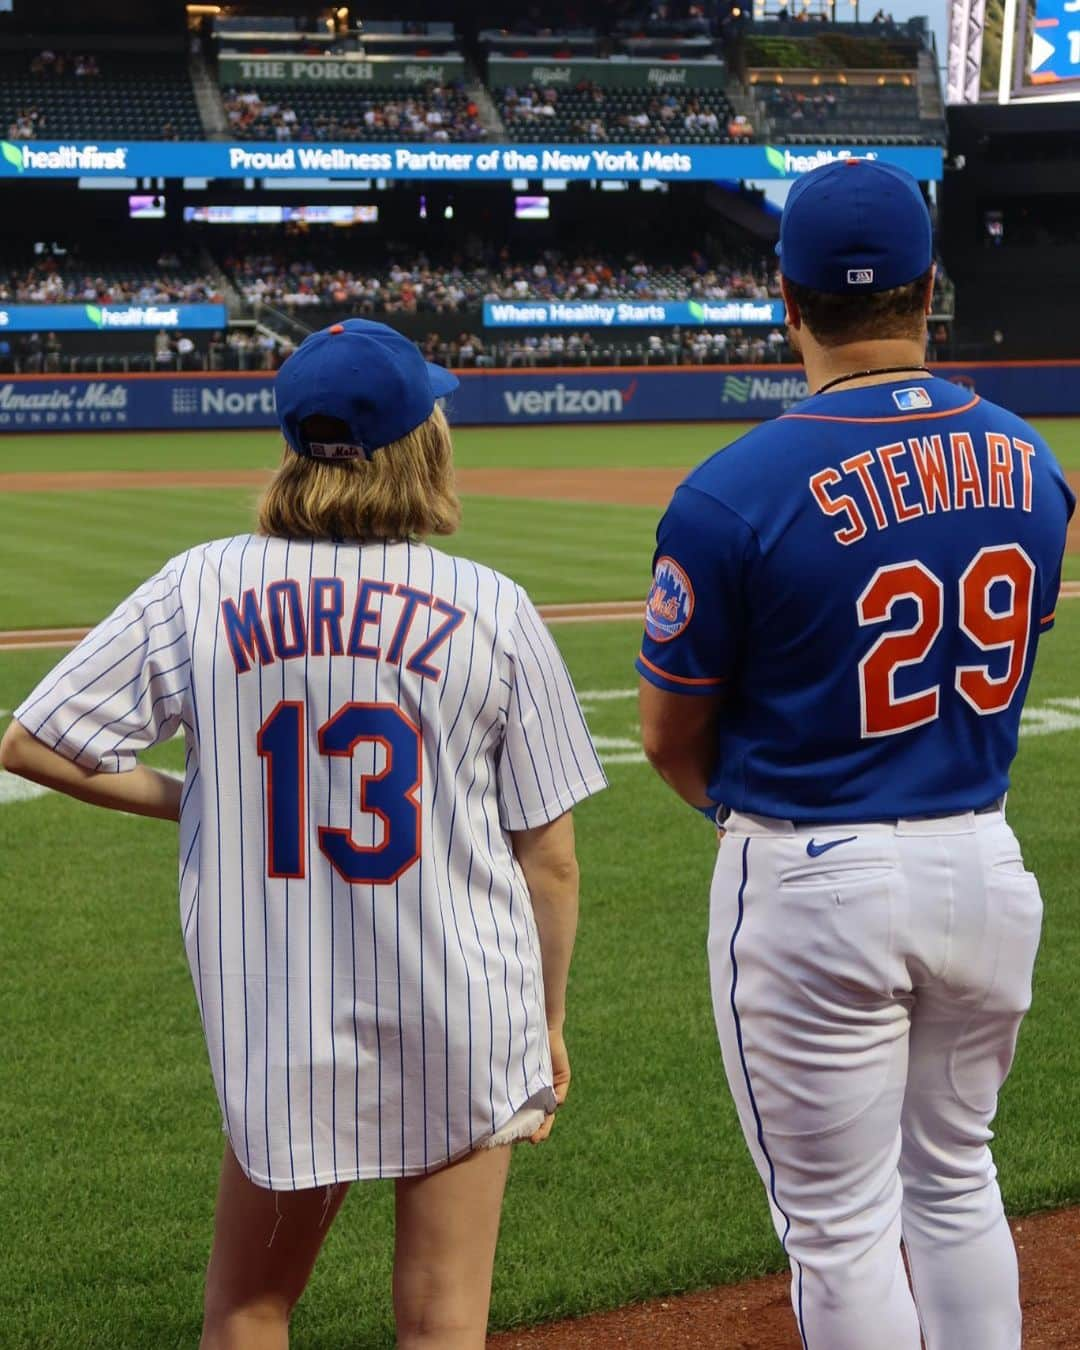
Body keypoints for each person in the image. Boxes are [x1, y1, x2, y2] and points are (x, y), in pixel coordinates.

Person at [1, 318, 607, 1350]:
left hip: (280, 1010)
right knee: (441, 1319)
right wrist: (546, 1022)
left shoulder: (199, 584)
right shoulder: (494, 608)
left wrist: (196, 796)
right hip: (464, 1001)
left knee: (248, 1308)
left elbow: (34, 743)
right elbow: (547, 859)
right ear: (424, 442)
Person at [636, 160, 1074, 1350]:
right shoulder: (1033, 465)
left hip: (812, 866)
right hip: (984, 861)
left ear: (786, 299)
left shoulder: (731, 494)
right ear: (931, 289)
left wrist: (755, 821)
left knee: (836, 1228)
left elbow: (670, 736)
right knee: (956, 1181)